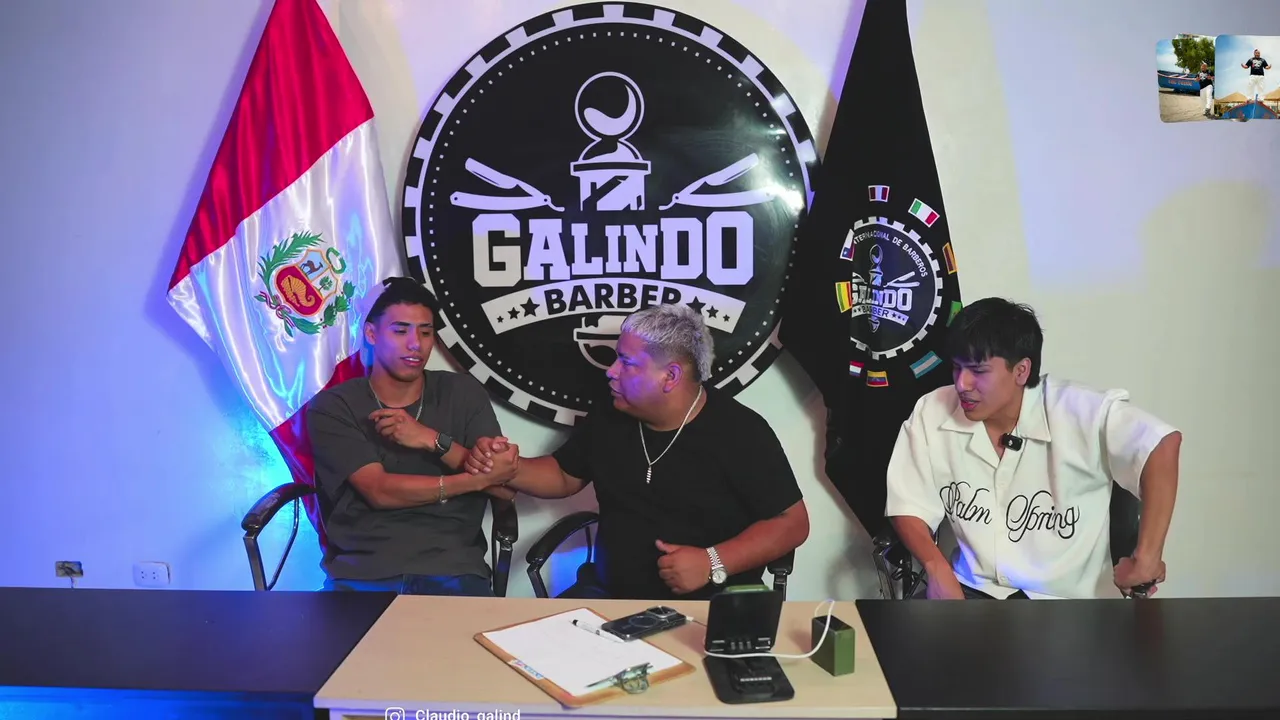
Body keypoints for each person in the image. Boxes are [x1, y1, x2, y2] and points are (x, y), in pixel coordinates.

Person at [465, 304, 809, 600]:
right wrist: (510, 466)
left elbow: (792, 523)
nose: (611, 371)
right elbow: (564, 475)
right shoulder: (611, 414)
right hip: (609, 595)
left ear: (670, 376)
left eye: (626, 362)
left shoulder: (741, 432)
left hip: (708, 603)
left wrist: (712, 561)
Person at [884, 298, 1181, 600]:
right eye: (957, 368)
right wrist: (936, 568)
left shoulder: (1079, 410)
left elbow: (1161, 443)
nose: (962, 383)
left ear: (1021, 371)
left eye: (978, 370)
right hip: (974, 590)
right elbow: (908, 505)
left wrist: (1147, 558)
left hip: (1067, 602)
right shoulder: (933, 410)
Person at [306, 277, 515, 595]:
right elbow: (379, 491)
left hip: (453, 569)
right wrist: (473, 481)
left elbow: (504, 488)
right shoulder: (335, 405)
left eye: (426, 332)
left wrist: (433, 440)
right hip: (365, 573)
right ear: (372, 334)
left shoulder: (462, 392)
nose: (416, 344)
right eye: (401, 331)